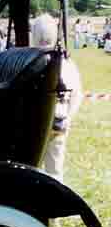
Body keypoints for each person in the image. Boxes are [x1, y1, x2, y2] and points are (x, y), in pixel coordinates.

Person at [33, 13, 82, 183]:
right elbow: (76, 95)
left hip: (36, 123)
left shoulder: (30, 60)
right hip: (59, 120)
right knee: (55, 169)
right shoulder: (67, 63)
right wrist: (68, 117)